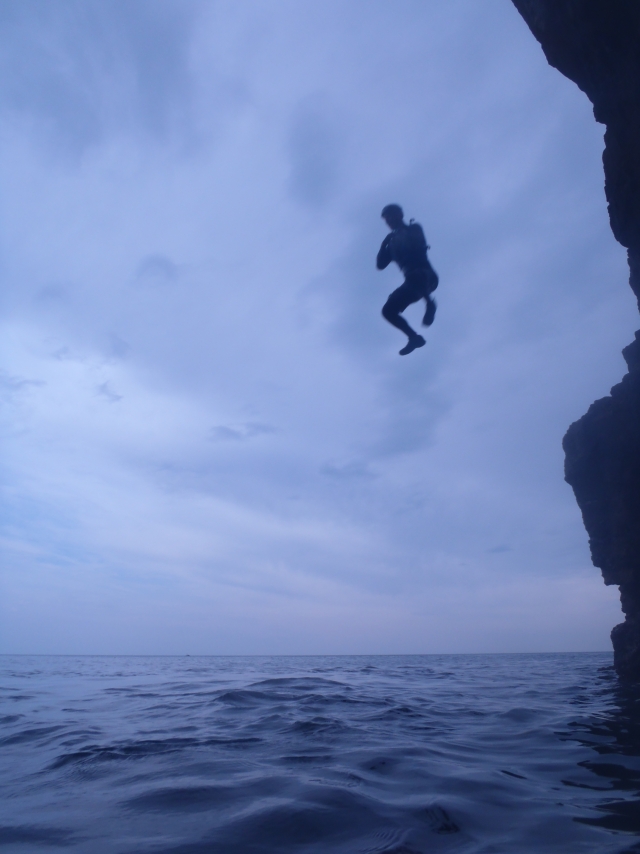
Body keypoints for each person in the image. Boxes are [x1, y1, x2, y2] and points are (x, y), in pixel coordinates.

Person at [376, 204, 438, 355]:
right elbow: (380, 265)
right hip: (412, 284)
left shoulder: (413, 228)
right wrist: (384, 245)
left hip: (426, 275)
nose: (389, 220)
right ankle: (413, 338)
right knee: (387, 311)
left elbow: (418, 243)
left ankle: (430, 303)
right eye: (386, 218)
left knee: (414, 275)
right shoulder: (392, 243)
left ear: (400, 215)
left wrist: (400, 236)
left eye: (392, 215)